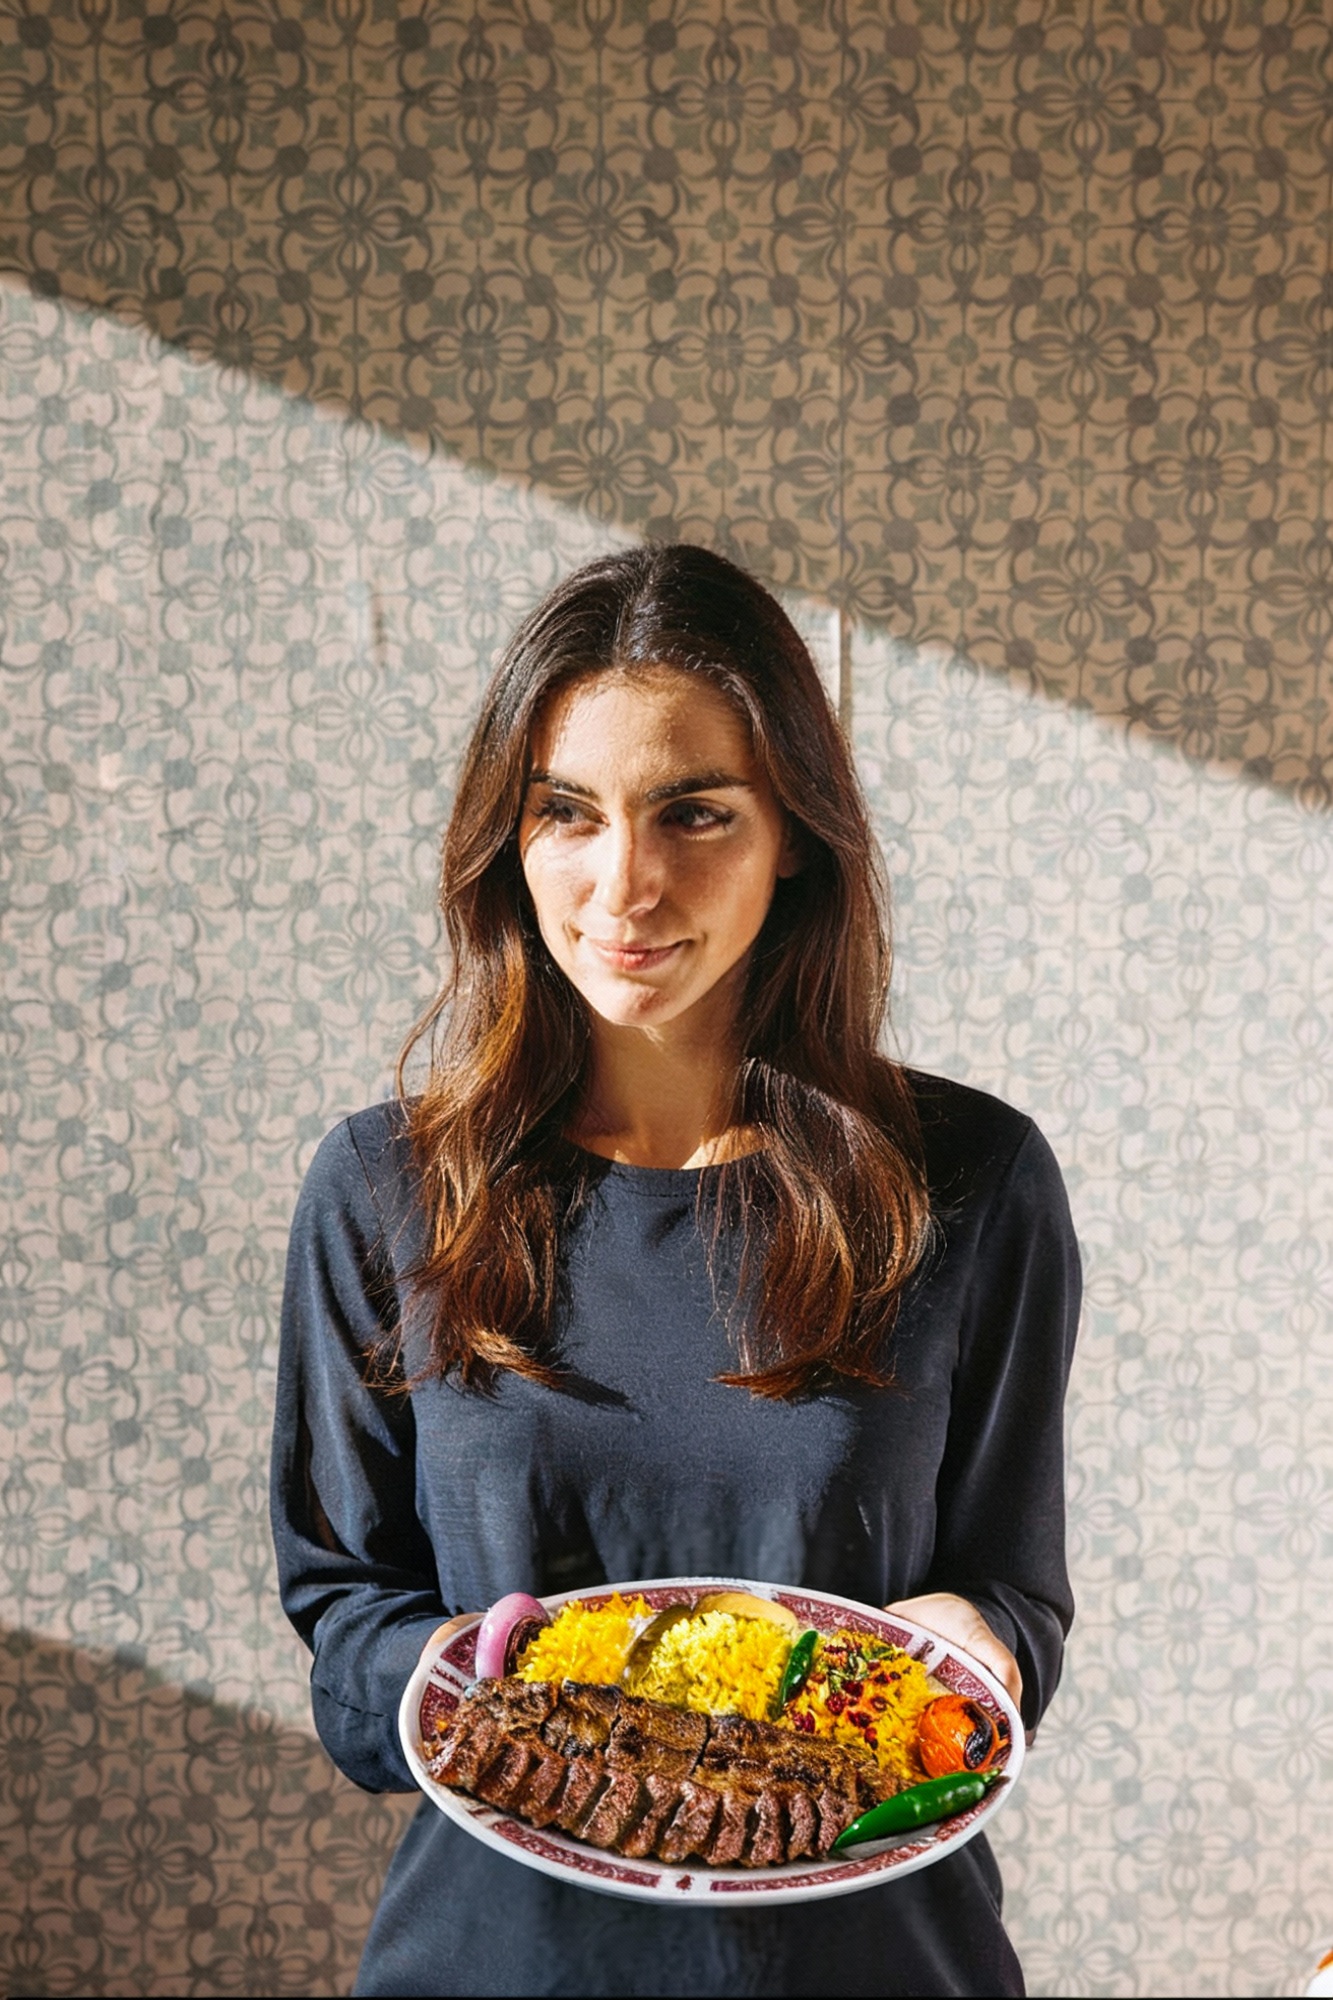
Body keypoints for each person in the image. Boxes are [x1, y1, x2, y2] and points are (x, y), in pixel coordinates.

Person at [270, 543, 1080, 1997]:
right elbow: (346, 1626)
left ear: (796, 841)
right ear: (505, 847)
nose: (624, 882)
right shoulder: (388, 1187)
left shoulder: (969, 1182)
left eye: (694, 814)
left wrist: (975, 1646)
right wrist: (476, 1677)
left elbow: (1011, 1598)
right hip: (496, 1965)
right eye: (565, 814)